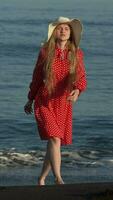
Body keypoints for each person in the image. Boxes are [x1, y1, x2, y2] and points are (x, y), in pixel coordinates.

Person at [24, 16, 87, 185]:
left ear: (71, 33)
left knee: (55, 142)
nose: (64, 31)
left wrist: (77, 90)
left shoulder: (76, 53)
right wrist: (30, 99)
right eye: (60, 28)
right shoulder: (45, 52)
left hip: (63, 103)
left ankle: (42, 178)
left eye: (67, 28)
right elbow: (37, 77)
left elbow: (81, 77)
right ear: (54, 32)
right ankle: (58, 178)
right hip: (44, 101)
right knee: (55, 139)